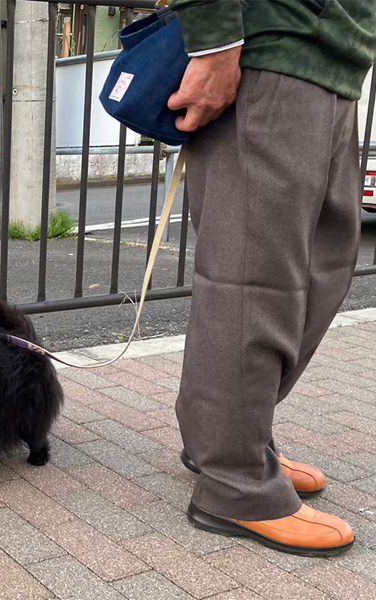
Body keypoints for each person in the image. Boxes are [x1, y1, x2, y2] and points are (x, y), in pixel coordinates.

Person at [168, 0, 376, 555]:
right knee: (252, 278)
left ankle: (228, 434)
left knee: (322, 266)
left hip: (334, 60)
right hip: (269, 50)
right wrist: (214, 39)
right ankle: (234, 483)